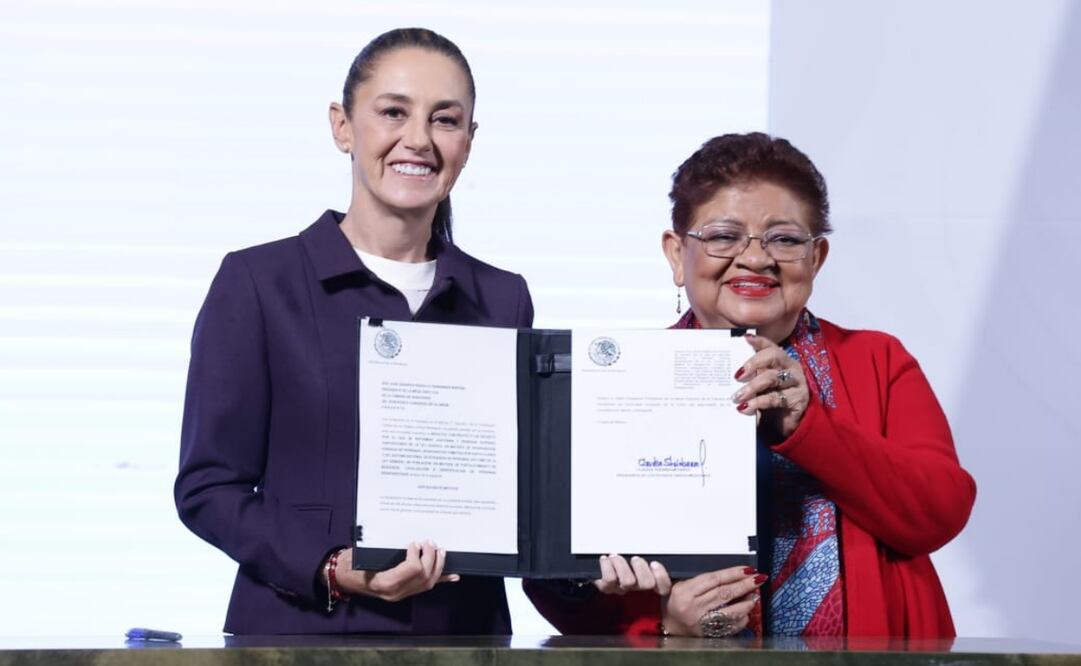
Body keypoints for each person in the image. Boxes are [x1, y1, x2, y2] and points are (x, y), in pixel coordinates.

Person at [524, 132, 975, 639]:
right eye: (723, 236)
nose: (756, 259)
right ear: (677, 255)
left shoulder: (877, 359)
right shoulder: (622, 382)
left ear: (816, 258)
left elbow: (940, 512)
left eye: (784, 239)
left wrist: (807, 425)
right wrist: (663, 622)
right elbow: (556, 581)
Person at [174, 28, 533, 634]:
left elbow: (524, 489)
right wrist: (331, 566)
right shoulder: (259, 284)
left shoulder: (502, 298)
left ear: (469, 142)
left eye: (445, 120)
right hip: (297, 636)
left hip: (463, 639)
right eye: (393, 112)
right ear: (343, 126)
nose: (417, 139)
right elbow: (208, 487)